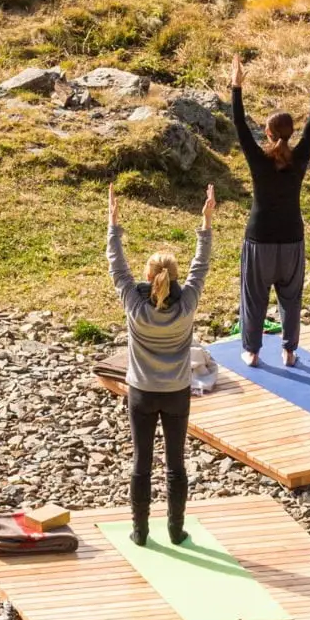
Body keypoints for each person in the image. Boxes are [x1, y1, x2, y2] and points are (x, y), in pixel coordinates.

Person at [108, 182, 217, 546]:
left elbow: (118, 268)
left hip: (141, 393)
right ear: (172, 276)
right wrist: (205, 223)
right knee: (176, 464)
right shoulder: (186, 305)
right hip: (176, 393)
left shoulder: (135, 307)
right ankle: (175, 529)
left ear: (149, 276)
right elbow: (200, 267)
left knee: (141, 463)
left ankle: (139, 531)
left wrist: (114, 224)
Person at [230, 52, 310, 366]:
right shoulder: (298, 159)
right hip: (292, 239)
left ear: (268, 134)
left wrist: (236, 87)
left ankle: (252, 352)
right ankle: (288, 351)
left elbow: (240, 125)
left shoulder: (259, 160)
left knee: (254, 298)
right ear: (290, 134)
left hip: (259, 240)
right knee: (291, 299)